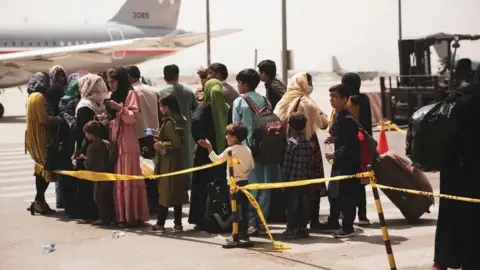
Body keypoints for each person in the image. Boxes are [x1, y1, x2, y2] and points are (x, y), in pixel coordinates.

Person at [432, 66, 480, 270]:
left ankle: (443, 259)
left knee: (450, 213)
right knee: (472, 217)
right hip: (472, 169)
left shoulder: (460, 96)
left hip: (451, 167)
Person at [274, 72, 329, 229]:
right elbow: (324, 124)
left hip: (288, 144)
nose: (310, 86)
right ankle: (313, 220)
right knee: (313, 183)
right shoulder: (309, 103)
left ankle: (293, 222)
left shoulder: (283, 101)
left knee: (292, 186)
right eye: (309, 83)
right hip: (309, 145)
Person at [106, 67, 149, 227]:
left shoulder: (131, 93)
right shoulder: (113, 96)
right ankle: (122, 216)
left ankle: (133, 216)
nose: (111, 85)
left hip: (128, 140)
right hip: (116, 140)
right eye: (109, 82)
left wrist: (119, 108)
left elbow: (132, 117)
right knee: (120, 179)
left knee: (129, 177)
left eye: (113, 81)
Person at [198, 122, 254, 242]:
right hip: (245, 183)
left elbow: (216, 160)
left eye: (227, 134)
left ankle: (236, 234)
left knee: (235, 209)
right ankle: (243, 232)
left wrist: (209, 147)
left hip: (234, 185)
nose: (225, 136)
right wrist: (242, 169)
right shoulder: (247, 150)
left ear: (234, 137)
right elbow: (251, 166)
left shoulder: (230, 150)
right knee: (244, 209)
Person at [318, 84, 361, 238]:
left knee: (347, 195)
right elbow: (343, 138)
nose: (331, 99)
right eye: (330, 96)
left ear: (344, 99)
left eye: (335, 96)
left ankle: (348, 227)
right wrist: (334, 139)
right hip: (340, 162)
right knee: (334, 192)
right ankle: (333, 221)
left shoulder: (348, 119)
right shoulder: (338, 116)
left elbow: (351, 144)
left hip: (348, 164)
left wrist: (335, 154)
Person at [189, 79, 229, 230]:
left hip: (205, 154)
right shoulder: (226, 107)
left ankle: (201, 218)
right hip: (221, 154)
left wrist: (200, 139)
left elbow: (194, 121)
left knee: (202, 186)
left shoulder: (204, 107)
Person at [149, 94, 189, 233]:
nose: (160, 109)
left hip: (169, 162)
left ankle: (160, 223)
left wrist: (161, 144)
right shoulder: (177, 120)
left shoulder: (170, 122)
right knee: (176, 192)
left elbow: (176, 143)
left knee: (165, 192)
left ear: (167, 107)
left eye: (161, 106)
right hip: (176, 161)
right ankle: (178, 223)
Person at [73, 74, 109, 220]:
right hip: (96, 148)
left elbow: (82, 131)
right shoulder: (96, 105)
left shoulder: (87, 105)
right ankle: (92, 211)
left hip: (90, 148)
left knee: (90, 182)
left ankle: (90, 212)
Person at [25, 72, 62, 215]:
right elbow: (43, 119)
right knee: (46, 167)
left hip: (32, 137)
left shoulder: (30, 97)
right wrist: (58, 120)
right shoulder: (39, 97)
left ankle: (40, 201)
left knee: (40, 168)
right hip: (40, 137)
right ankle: (38, 201)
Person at [158, 64, 198, 187]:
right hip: (186, 131)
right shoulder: (188, 92)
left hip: (168, 133)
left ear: (165, 77)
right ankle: (186, 186)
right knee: (186, 158)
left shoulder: (161, 92)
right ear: (177, 75)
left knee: (170, 160)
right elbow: (195, 111)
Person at [127, 65, 160, 210]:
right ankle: (155, 200)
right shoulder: (153, 90)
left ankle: (148, 202)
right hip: (152, 133)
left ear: (129, 77)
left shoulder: (131, 92)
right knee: (152, 168)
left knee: (142, 170)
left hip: (139, 134)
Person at [341, 72, 372, 226]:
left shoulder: (348, 102)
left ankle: (346, 214)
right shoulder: (365, 99)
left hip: (350, 145)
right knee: (361, 181)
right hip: (364, 144)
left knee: (348, 182)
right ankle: (363, 215)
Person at [281, 112, 313, 239]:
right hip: (304, 180)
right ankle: (303, 228)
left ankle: (291, 228)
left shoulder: (291, 143)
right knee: (303, 204)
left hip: (291, 181)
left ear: (291, 127)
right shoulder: (308, 143)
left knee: (291, 206)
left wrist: (283, 181)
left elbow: (286, 164)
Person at [83, 120, 115, 226]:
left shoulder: (91, 148)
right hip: (109, 174)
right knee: (109, 198)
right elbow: (111, 159)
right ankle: (111, 217)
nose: (86, 136)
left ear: (91, 134)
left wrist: (84, 160)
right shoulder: (106, 143)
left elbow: (90, 164)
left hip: (98, 176)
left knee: (99, 198)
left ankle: (104, 218)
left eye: (87, 133)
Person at [232, 68, 265, 145]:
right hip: (262, 144)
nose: (237, 85)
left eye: (239, 82)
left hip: (245, 144)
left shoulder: (238, 102)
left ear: (245, 84)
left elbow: (236, 127)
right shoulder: (265, 100)